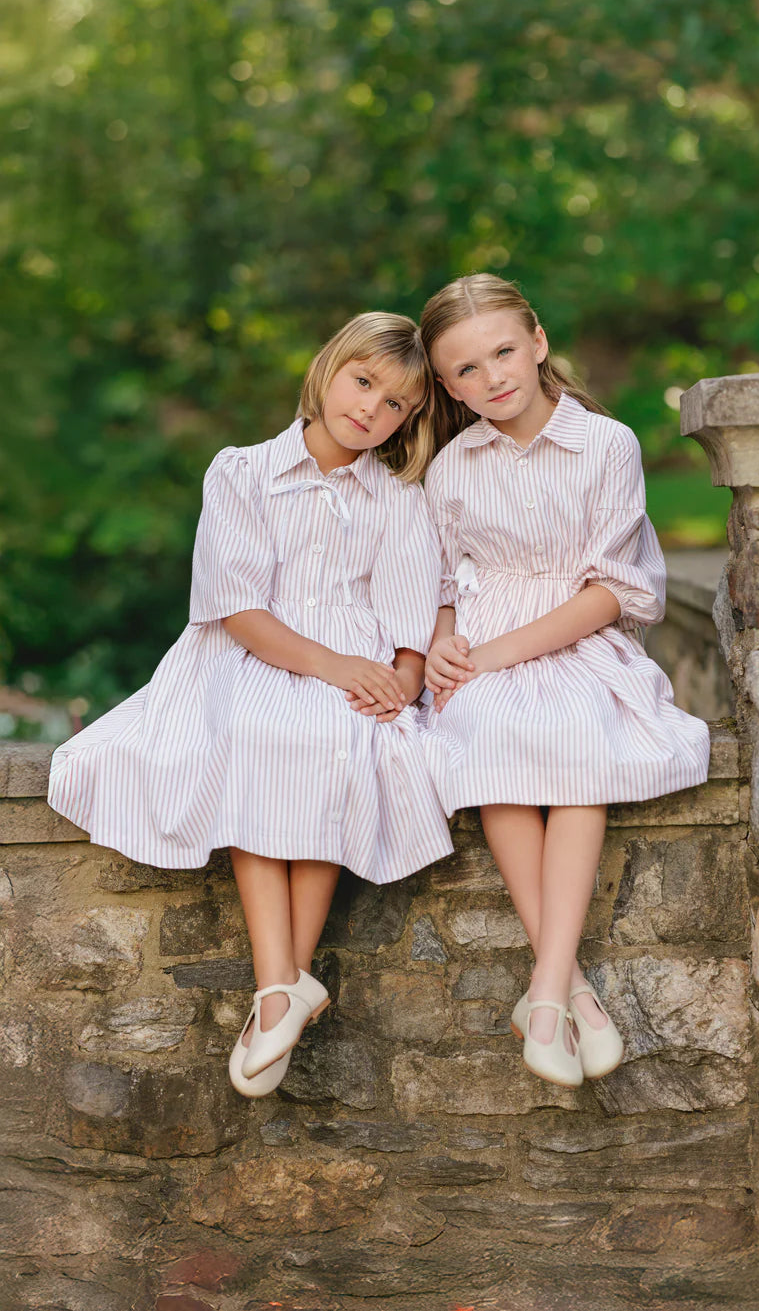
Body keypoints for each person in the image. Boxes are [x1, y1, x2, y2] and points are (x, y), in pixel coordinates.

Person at [49, 312, 453, 1097]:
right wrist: (336, 665)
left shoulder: (399, 497)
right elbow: (238, 608)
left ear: (410, 418)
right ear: (329, 369)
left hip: (354, 662)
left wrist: (401, 679)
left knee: (342, 739)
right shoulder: (242, 471)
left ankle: (282, 994)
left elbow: (409, 616)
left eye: (396, 403)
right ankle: (282, 981)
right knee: (258, 731)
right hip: (258, 648)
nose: (372, 408)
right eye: (363, 382)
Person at [419, 274, 710, 1090]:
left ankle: (543, 991)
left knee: (581, 734)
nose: (492, 378)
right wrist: (445, 644)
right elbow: (445, 583)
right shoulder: (452, 467)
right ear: (446, 386)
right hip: (483, 648)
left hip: (577, 635)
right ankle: (570, 989)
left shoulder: (605, 444)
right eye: (466, 371)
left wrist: (498, 653)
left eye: (504, 352)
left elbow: (615, 589)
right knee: (487, 733)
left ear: (538, 341)